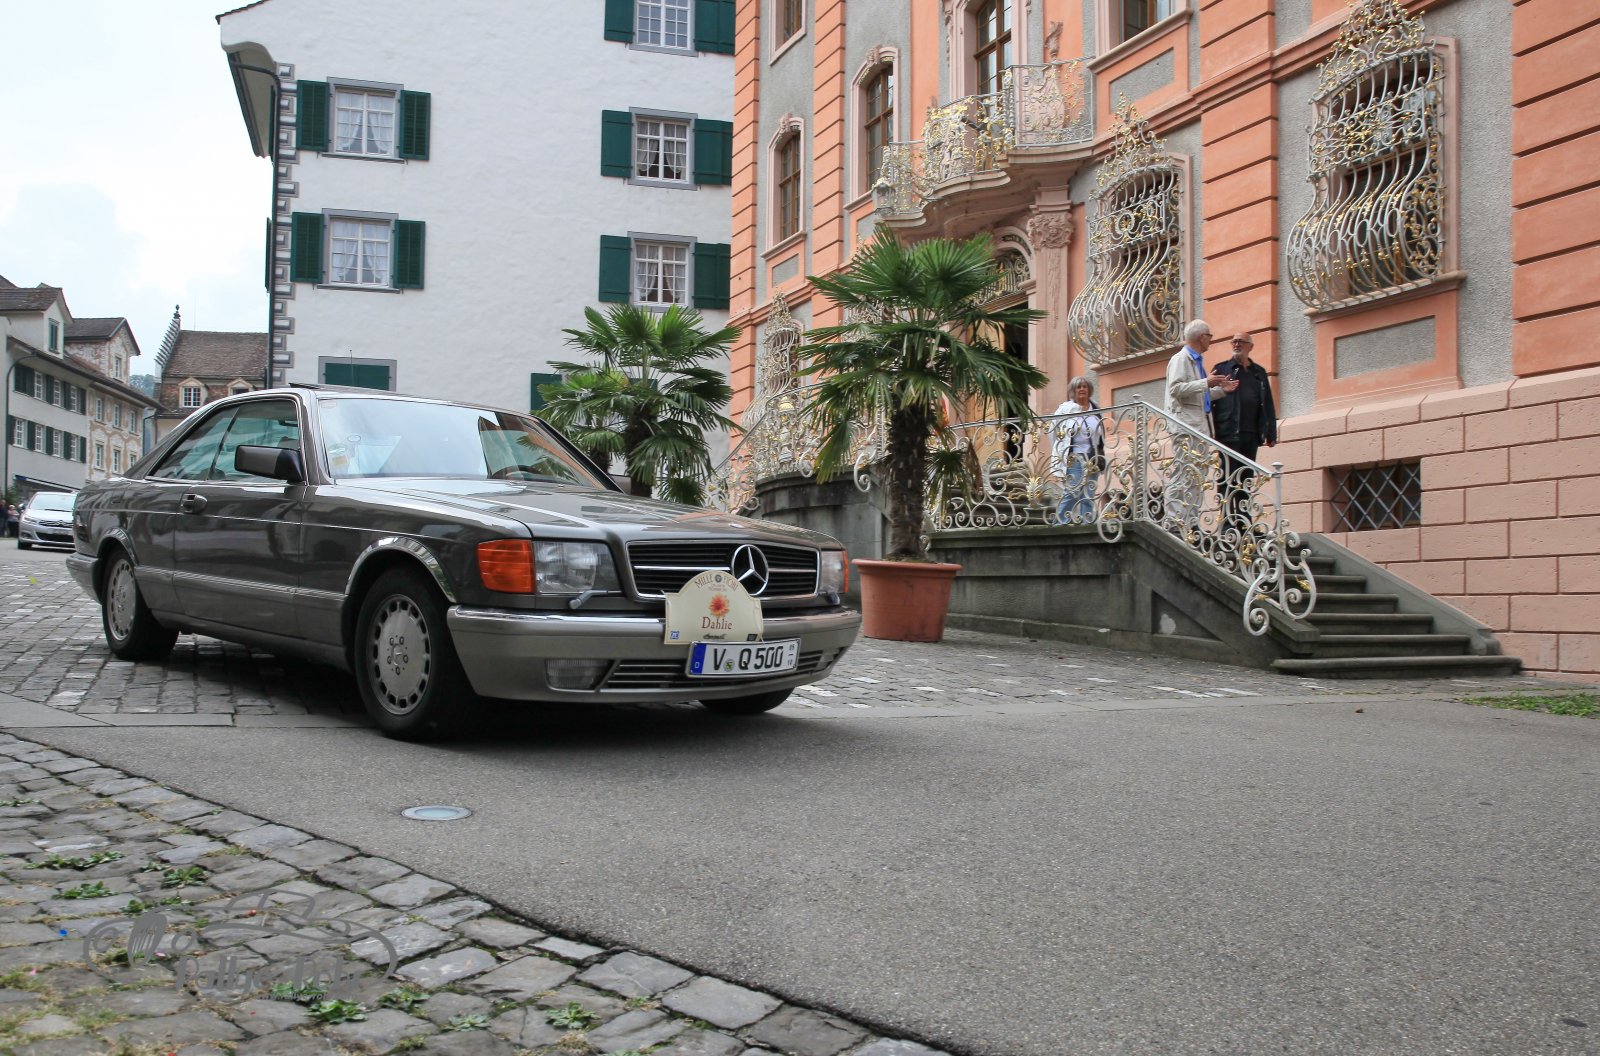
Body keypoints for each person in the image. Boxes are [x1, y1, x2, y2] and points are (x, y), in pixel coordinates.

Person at [1164, 320, 1237, 532]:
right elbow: (1176, 389)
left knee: (1197, 475)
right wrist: (1207, 382)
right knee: (1183, 473)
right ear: (1201, 337)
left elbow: (1197, 395)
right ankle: (1174, 521)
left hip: (1197, 426)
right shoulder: (1180, 359)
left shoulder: (1196, 361)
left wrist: (1222, 390)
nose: (1211, 340)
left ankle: (1191, 522)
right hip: (1185, 426)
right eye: (1209, 336)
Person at [1210, 332, 1278, 532]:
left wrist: (1270, 432)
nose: (1237, 344)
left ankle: (1243, 521)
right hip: (1227, 432)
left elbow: (1268, 403)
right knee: (1227, 478)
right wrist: (1212, 429)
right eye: (1234, 341)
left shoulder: (1259, 372)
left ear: (1250, 346)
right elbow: (1210, 400)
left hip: (1251, 434)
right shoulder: (1222, 369)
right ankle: (1226, 522)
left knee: (1246, 479)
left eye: (1241, 341)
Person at [1052, 375, 1105, 524]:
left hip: (1092, 456)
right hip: (1074, 457)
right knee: (1072, 491)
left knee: (1088, 493)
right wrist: (1060, 451)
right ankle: (1060, 523)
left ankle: (1086, 522)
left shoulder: (1095, 409)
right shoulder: (1066, 409)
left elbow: (1101, 435)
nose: (1082, 389)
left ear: (1089, 389)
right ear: (1073, 391)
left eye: (1085, 386)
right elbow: (1054, 431)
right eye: (1078, 387)